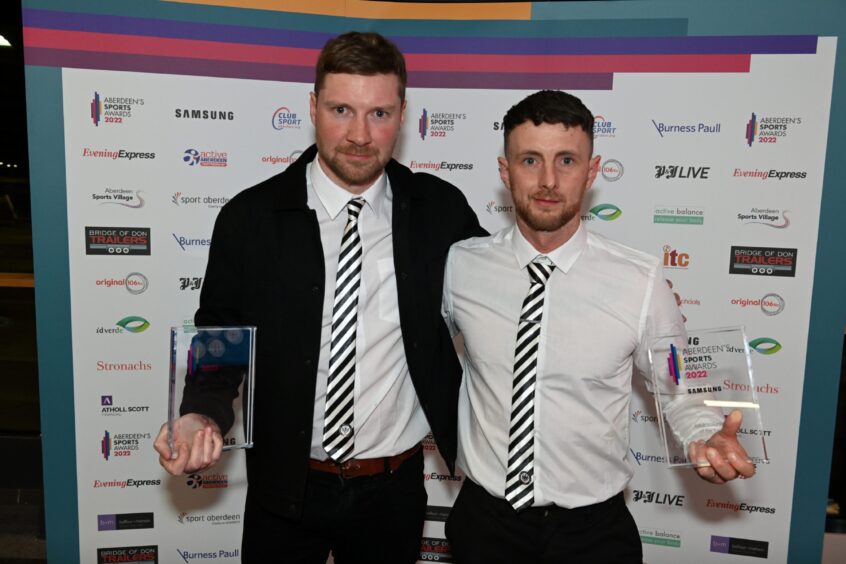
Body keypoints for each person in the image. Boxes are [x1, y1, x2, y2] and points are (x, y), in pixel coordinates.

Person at [153, 31, 484, 564]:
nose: (359, 134)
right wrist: (201, 413)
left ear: (402, 113)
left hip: (393, 489)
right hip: (284, 487)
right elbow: (221, 335)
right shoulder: (250, 218)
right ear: (312, 107)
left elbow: (498, 310)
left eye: (378, 113)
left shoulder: (441, 212)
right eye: (341, 110)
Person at [440, 90, 756, 563]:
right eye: (530, 160)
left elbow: (679, 388)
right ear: (506, 172)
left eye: (566, 160)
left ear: (592, 171)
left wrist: (703, 436)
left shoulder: (640, 279)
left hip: (593, 535)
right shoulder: (460, 266)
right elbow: (417, 351)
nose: (548, 180)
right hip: (485, 525)